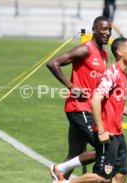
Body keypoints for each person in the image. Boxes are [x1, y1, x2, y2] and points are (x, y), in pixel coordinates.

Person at [54, 38, 127, 183]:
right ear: (120, 52)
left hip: (118, 133)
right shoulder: (112, 73)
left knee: (121, 174)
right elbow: (95, 99)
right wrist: (102, 131)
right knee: (103, 177)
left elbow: (115, 103)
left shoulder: (123, 75)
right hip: (107, 133)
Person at [47, 16, 112, 180]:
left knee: (75, 152)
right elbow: (53, 63)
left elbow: (99, 83)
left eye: (109, 29)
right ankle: (59, 169)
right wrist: (71, 86)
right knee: (106, 149)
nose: (107, 32)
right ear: (94, 30)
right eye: (103, 29)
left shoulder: (104, 54)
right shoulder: (85, 49)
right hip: (79, 108)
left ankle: (59, 177)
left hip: (89, 109)